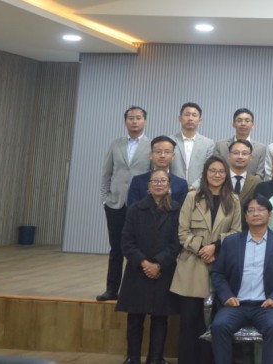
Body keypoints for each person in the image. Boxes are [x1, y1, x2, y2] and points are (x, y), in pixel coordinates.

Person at [210, 196, 273, 364]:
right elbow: (217, 273)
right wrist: (227, 296)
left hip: (266, 305)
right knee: (219, 326)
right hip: (236, 305)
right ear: (245, 217)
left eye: (261, 210)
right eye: (251, 211)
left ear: (269, 214)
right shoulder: (231, 242)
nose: (256, 214)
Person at [172, 156, 242, 364]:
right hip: (191, 268)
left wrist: (215, 247)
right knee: (189, 323)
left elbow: (237, 232)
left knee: (212, 325)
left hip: (220, 267)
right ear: (205, 173)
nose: (217, 175)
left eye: (221, 171)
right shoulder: (192, 197)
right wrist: (202, 248)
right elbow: (182, 232)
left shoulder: (233, 200)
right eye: (212, 171)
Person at [116, 169, 181, 364]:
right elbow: (126, 242)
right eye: (155, 181)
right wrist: (144, 263)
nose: (159, 184)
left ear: (169, 185)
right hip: (138, 271)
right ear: (148, 185)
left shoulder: (176, 209)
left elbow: (177, 243)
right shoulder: (135, 209)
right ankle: (133, 358)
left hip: (164, 270)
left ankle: (155, 358)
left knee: (160, 318)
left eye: (163, 181)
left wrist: (159, 263)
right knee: (135, 318)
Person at [98, 105, 152, 302]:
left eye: (138, 118)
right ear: (125, 121)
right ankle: (111, 289)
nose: (134, 121)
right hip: (116, 204)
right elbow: (106, 172)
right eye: (131, 118)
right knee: (116, 248)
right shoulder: (116, 144)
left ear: (145, 121)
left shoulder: (151, 145)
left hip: (140, 204)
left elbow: (154, 175)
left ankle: (135, 291)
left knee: (139, 248)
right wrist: (105, 197)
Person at [127, 135, 189, 206]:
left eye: (167, 152)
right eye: (158, 152)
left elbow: (182, 211)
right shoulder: (138, 181)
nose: (162, 155)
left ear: (173, 156)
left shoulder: (181, 184)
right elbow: (132, 209)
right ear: (151, 155)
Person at [213, 108, 267, 178]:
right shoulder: (220, 146)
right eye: (239, 120)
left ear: (252, 125)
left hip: (252, 184)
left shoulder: (261, 148)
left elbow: (260, 174)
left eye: (247, 121)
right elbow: (215, 169)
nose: (243, 124)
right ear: (233, 124)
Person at [171, 102, 215, 185]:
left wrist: (194, 186)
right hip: (173, 188)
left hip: (198, 189)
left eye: (194, 115)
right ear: (180, 118)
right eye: (187, 115)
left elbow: (209, 169)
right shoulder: (170, 141)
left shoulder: (208, 144)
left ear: (200, 120)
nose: (190, 118)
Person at [226, 140, 261, 209]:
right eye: (236, 153)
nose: (240, 157)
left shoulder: (256, 182)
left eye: (244, 154)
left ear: (251, 157)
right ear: (229, 156)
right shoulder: (221, 178)